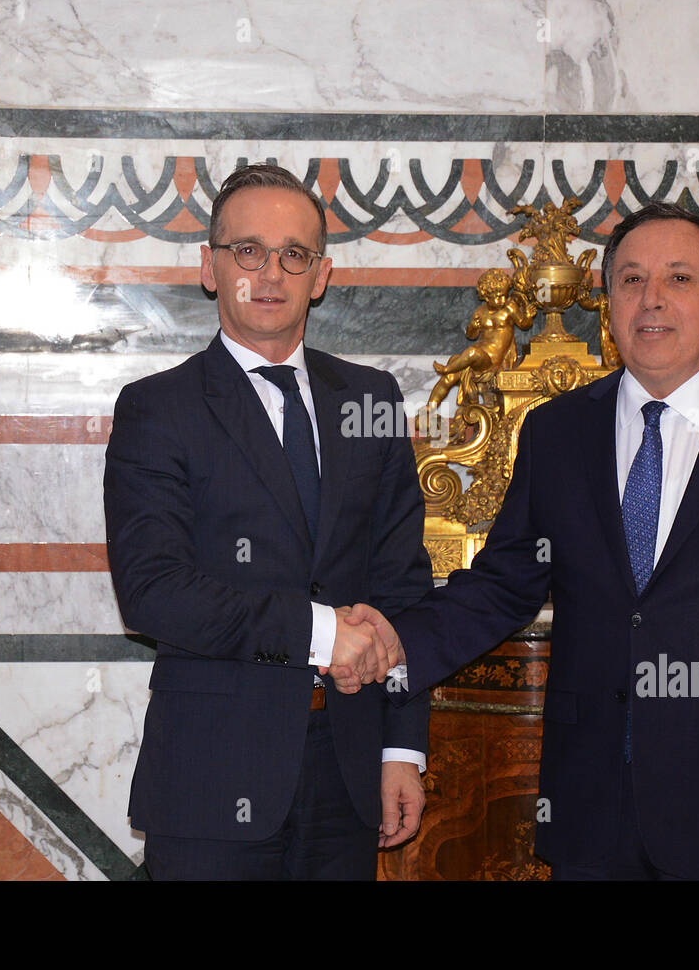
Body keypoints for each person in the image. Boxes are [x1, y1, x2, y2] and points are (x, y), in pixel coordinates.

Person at [341, 202, 699, 881]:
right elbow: (504, 585)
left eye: (679, 279)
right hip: (591, 818)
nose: (651, 299)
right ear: (608, 303)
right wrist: (392, 643)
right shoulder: (558, 433)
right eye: (629, 280)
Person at [104, 163, 432, 880]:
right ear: (209, 268)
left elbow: (403, 588)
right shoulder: (159, 409)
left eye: (294, 254)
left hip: (348, 777)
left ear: (320, 275)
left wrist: (401, 749)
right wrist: (324, 633)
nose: (270, 272)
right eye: (247, 251)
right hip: (212, 778)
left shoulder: (370, 398)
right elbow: (153, 591)